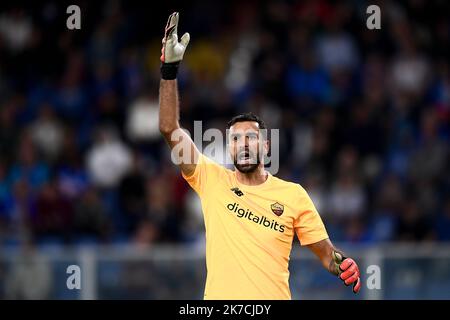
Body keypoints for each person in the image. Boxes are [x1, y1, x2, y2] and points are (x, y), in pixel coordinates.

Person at [158, 12, 361, 300]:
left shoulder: (293, 195)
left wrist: (343, 264)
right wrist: (169, 71)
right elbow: (169, 128)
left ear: (265, 146)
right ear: (229, 148)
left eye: (250, 137)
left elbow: (327, 255)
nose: (243, 144)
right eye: (236, 139)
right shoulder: (211, 179)